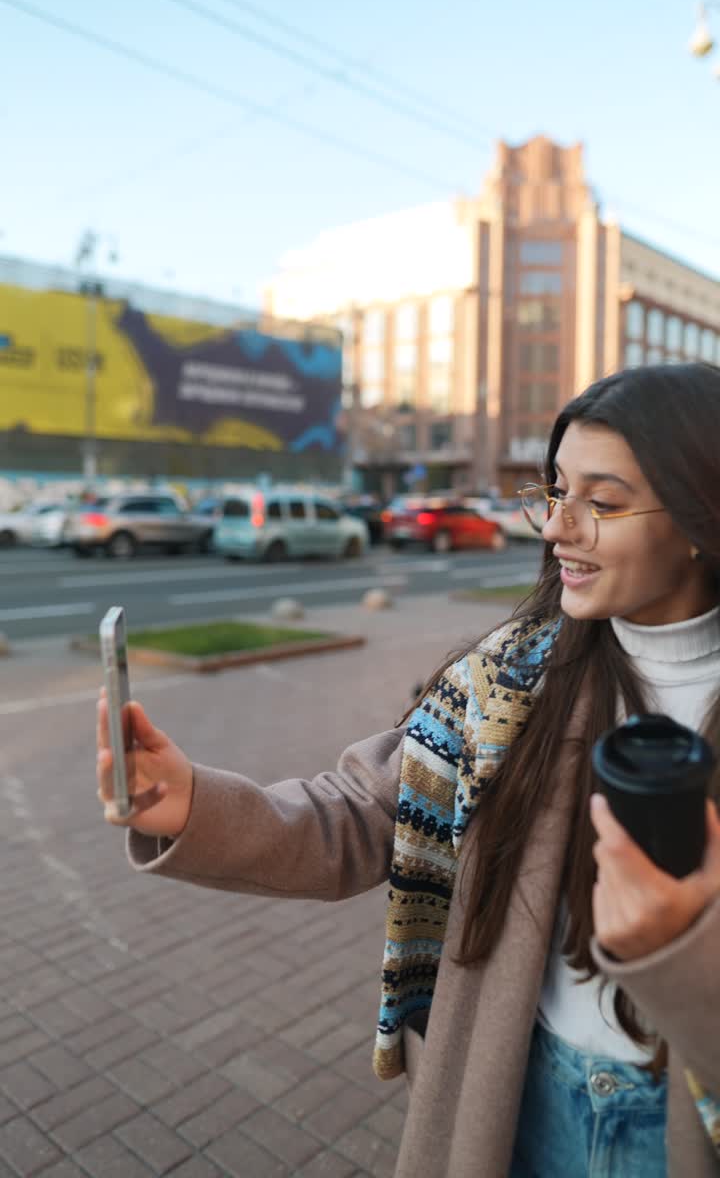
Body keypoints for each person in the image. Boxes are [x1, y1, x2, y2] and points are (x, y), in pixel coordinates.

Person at [96, 363, 720, 1177]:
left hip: (681, 1130)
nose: (556, 528)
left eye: (600, 503)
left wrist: (681, 951)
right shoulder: (509, 679)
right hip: (514, 1098)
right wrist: (191, 805)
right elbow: (360, 815)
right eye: (555, 491)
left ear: (701, 516)